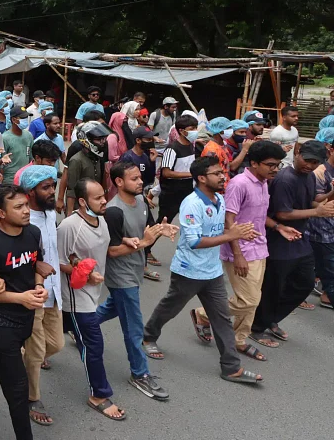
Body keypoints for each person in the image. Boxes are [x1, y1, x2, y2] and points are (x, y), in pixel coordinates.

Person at [142, 157, 264, 384]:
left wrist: (240, 234)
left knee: (222, 319)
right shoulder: (192, 204)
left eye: (222, 172)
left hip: (212, 271)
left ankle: (231, 368)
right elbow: (194, 242)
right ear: (201, 178)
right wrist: (232, 236)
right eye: (217, 173)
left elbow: (228, 228)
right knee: (170, 308)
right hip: (188, 271)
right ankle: (148, 337)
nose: (222, 176)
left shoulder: (219, 199)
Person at [192, 141, 297, 361]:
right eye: (270, 165)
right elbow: (229, 221)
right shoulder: (239, 184)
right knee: (248, 300)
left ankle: (240, 339)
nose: (275, 169)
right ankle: (203, 314)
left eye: (277, 165)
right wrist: (237, 254)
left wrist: (278, 227)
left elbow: (256, 216)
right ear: (254, 163)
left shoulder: (263, 183)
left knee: (253, 299)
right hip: (240, 250)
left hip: (260, 247)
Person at [0, 185, 49, 440]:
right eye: (19, 207)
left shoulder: (34, 233)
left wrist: (38, 287)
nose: (27, 211)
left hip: (26, 316)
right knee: (17, 387)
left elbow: (37, 264)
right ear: (1, 213)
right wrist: (20, 298)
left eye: (26, 205)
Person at [98, 162, 172, 400]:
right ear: (119, 182)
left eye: (140, 178)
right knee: (134, 327)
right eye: (134, 179)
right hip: (121, 276)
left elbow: (147, 230)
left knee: (112, 307)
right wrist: (145, 242)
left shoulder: (140, 202)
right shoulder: (113, 211)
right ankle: (139, 373)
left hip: (135, 269)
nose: (141, 182)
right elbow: (111, 251)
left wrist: (162, 229)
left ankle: (73, 323)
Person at [252, 140, 334, 343]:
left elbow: (313, 201)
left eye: (315, 162)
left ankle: (271, 318)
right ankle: (257, 327)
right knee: (273, 286)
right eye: (307, 160)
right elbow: (283, 213)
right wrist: (317, 212)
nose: (310, 165)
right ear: (298, 153)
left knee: (304, 283)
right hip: (279, 238)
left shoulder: (308, 177)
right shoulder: (285, 179)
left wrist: (330, 196)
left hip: (299, 238)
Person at [58, 178, 126, 420]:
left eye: (103, 195)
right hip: (75, 296)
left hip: (93, 293)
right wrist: (85, 275)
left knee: (56, 332)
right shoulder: (69, 226)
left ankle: (34, 349)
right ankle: (99, 394)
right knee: (93, 344)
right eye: (98, 198)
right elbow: (58, 262)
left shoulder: (102, 221)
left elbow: (105, 248)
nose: (104, 200)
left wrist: (136, 242)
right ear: (83, 202)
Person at [17, 166, 65, 425]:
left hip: (54, 290)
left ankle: (17, 360)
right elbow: (15, 259)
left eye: (52, 186)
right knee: (36, 354)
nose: (52, 192)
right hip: (33, 294)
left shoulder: (49, 215)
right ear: (31, 191)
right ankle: (31, 397)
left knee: (56, 344)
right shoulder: (22, 220)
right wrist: (36, 267)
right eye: (45, 187)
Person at [308, 128, 334, 309]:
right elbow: (314, 201)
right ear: (331, 149)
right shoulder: (320, 171)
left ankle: (325, 293)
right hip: (322, 225)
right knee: (329, 266)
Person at [158, 114, 198, 223]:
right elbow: (166, 173)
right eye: (191, 129)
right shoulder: (172, 149)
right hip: (172, 194)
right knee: (162, 223)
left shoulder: (191, 146)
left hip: (188, 191)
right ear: (181, 131)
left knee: (190, 222)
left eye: (196, 128)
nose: (195, 131)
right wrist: (191, 174)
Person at [65, 121, 110, 214]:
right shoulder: (76, 161)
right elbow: (71, 190)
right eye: (99, 139)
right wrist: (69, 214)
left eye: (103, 139)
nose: (103, 142)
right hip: (80, 209)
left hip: (95, 206)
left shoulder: (98, 158)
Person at [2, 106, 33, 183]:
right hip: (10, 179)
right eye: (23, 118)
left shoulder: (28, 135)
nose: (26, 120)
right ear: (14, 120)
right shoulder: (5, 138)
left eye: (26, 117)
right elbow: (1, 162)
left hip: (25, 178)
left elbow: (31, 157)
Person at [269, 105, 300, 169]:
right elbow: (271, 152)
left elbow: (296, 149)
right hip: (280, 166)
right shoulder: (277, 132)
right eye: (293, 116)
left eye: (297, 116)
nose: (296, 118)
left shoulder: (295, 130)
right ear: (284, 117)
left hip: (291, 165)